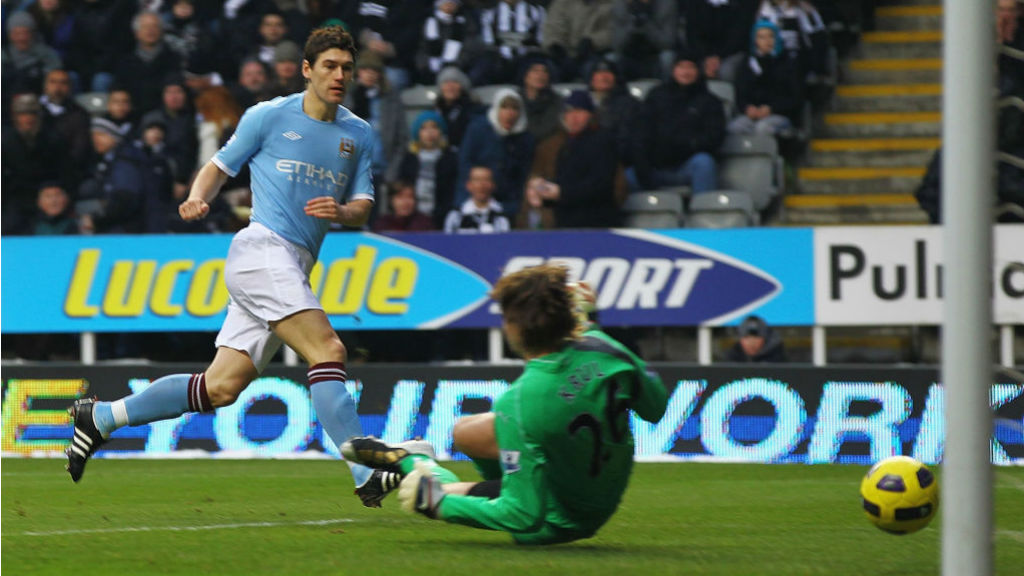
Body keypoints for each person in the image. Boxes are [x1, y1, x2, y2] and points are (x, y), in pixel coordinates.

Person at [66, 26, 394, 509]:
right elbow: (220, 166)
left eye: (346, 67)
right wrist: (198, 198)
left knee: (220, 387)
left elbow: (363, 202)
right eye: (329, 65)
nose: (339, 75)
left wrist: (343, 213)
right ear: (307, 69)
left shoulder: (358, 133)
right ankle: (366, 472)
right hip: (262, 251)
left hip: (293, 264)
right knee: (328, 349)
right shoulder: (268, 116)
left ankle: (102, 417)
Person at [341, 264, 668, 545]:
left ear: (514, 329)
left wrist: (438, 505)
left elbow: (525, 517)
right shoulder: (605, 346)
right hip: (598, 488)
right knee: (465, 432)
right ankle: (414, 463)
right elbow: (656, 408)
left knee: (446, 491)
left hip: (562, 521)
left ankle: (411, 465)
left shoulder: (522, 401)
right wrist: (593, 325)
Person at [523, 90, 625, 229]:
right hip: (568, 225)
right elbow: (565, 183)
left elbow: (600, 185)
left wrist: (561, 192)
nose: (573, 117)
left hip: (595, 225)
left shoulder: (602, 141)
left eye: (579, 111)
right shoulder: (566, 145)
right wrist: (543, 192)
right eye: (568, 112)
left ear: (590, 114)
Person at [630, 52, 725, 194]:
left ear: (698, 70)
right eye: (681, 67)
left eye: (691, 67)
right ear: (673, 69)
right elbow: (641, 132)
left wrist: (684, 145)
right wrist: (643, 164)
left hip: (687, 165)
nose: (686, 72)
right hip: (656, 165)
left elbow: (714, 137)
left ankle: (704, 212)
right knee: (628, 176)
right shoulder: (656, 96)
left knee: (704, 163)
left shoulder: (710, 102)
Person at [456, 88, 535, 217]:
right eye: (504, 107)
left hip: (508, 203)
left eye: (515, 108)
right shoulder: (477, 129)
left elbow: (523, 174)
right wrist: (479, 184)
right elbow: (465, 162)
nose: (510, 113)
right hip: (473, 199)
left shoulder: (525, 138)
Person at [728, 19, 803, 136]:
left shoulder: (787, 63)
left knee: (762, 128)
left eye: (771, 36)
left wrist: (771, 108)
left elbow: (795, 97)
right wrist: (747, 108)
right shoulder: (747, 63)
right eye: (762, 37)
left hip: (779, 114)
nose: (767, 41)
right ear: (755, 40)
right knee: (734, 128)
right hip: (752, 116)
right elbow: (740, 94)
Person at [395, 110, 458, 228]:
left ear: (441, 132)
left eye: (434, 127)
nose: (429, 132)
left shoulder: (450, 159)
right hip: (413, 218)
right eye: (424, 128)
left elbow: (451, 192)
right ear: (417, 133)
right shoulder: (409, 159)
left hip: (442, 216)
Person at [610, 0, 677, 82]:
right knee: (611, 58)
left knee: (668, 57)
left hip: (655, 53)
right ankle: (619, 92)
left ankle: (665, 91)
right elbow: (617, 45)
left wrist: (646, 21)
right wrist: (632, 19)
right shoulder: (620, 5)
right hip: (628, 53)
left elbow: (667, 42)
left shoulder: (666, 4)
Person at [444, 165, 511, 233]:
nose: (481, 185)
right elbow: (447, 241)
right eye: (477, 180)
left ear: (493, 185)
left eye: (486, 179)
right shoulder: (455, 215)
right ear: (468, 185)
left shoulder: (502, 215)